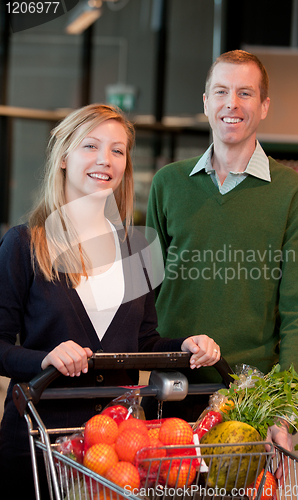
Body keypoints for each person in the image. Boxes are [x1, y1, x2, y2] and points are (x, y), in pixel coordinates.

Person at [0, 103, 220, 499]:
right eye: (91, 146)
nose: (105, 160)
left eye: (117, 150)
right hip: (39, 446)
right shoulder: (24, 245)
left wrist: (184, 347)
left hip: (118, 452)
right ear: (64, 157)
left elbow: (144, 343)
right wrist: (44, 358)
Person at [145, 51, 298, 453]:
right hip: (171, 385)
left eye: (246, 93)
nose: (232, 104)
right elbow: (146, 289)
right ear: (206, 102)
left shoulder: (293, 194)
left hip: (248, 395)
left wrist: (286, 408)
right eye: (221, 91)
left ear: (263, 107)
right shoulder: (168, 184)